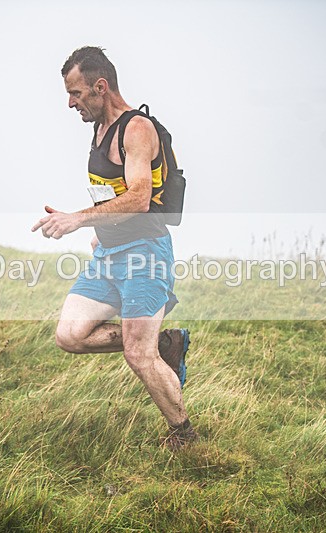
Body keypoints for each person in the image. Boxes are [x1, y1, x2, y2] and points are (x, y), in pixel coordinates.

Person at [31, 46, 197, 451]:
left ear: (100, 87)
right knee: (70, 335)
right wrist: (100, 229)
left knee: (137, 355)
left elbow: (140, 197)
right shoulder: (100, 129)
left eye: (76, 93)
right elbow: (114, 193)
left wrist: (77, 218)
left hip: (145, 255)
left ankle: (184, 435)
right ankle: (164, 343)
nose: (71, 103)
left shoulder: (136, 128)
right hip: (108, 254)